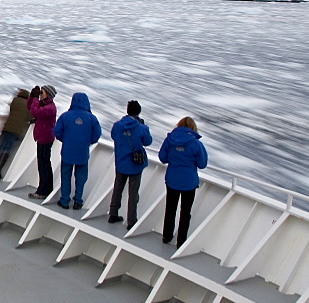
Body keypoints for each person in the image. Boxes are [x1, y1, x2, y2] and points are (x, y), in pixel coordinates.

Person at [159, 116, 208, 247]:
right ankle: (181, 241)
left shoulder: (170, 140)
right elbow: (202, 163)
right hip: (189, 182)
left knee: (170, 209)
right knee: (185, 213)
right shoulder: (196, 144)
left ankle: (166, 236)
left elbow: (162, 157)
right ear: (193, 128)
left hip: (172, 179)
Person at [53, 92, 102, 210]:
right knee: (81, 177)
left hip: (67, 151)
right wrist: (87, 142)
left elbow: (57, 131)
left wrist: (65, 139)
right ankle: (78, 201)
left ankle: (64, 200)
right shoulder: (92, 118)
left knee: (65, 175)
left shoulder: (65, 116)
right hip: (82, 152)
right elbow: (96, 135)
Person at [108, 100, 153, 228]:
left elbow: (114, 136)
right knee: (133, 194)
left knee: (117, 189)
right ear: (138, 112)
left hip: (121, 162)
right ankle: (131, 221)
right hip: (135, 164)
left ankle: (112, 214)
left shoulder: (117, 125)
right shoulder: (141, 127)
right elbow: (148, 141)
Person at [0, 89, 34, 178]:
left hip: (6, 127)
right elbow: (29, 117)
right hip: (16, 130)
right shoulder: (29, 105)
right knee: (7, 149)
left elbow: (11, 109)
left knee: (0, 146)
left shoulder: (15, 100)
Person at [27, 85, 57, 199]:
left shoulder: (50, 107)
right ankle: (47, 189)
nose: (40, 95)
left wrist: (35, 98)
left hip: (45, 139)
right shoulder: (45, 105)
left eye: (42, 93)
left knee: (43, 165)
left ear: (47, 94)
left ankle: (43, 190)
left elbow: (35, 112)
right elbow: (30, 107)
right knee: (44, 164)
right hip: (43, 137)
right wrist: (32, 96)